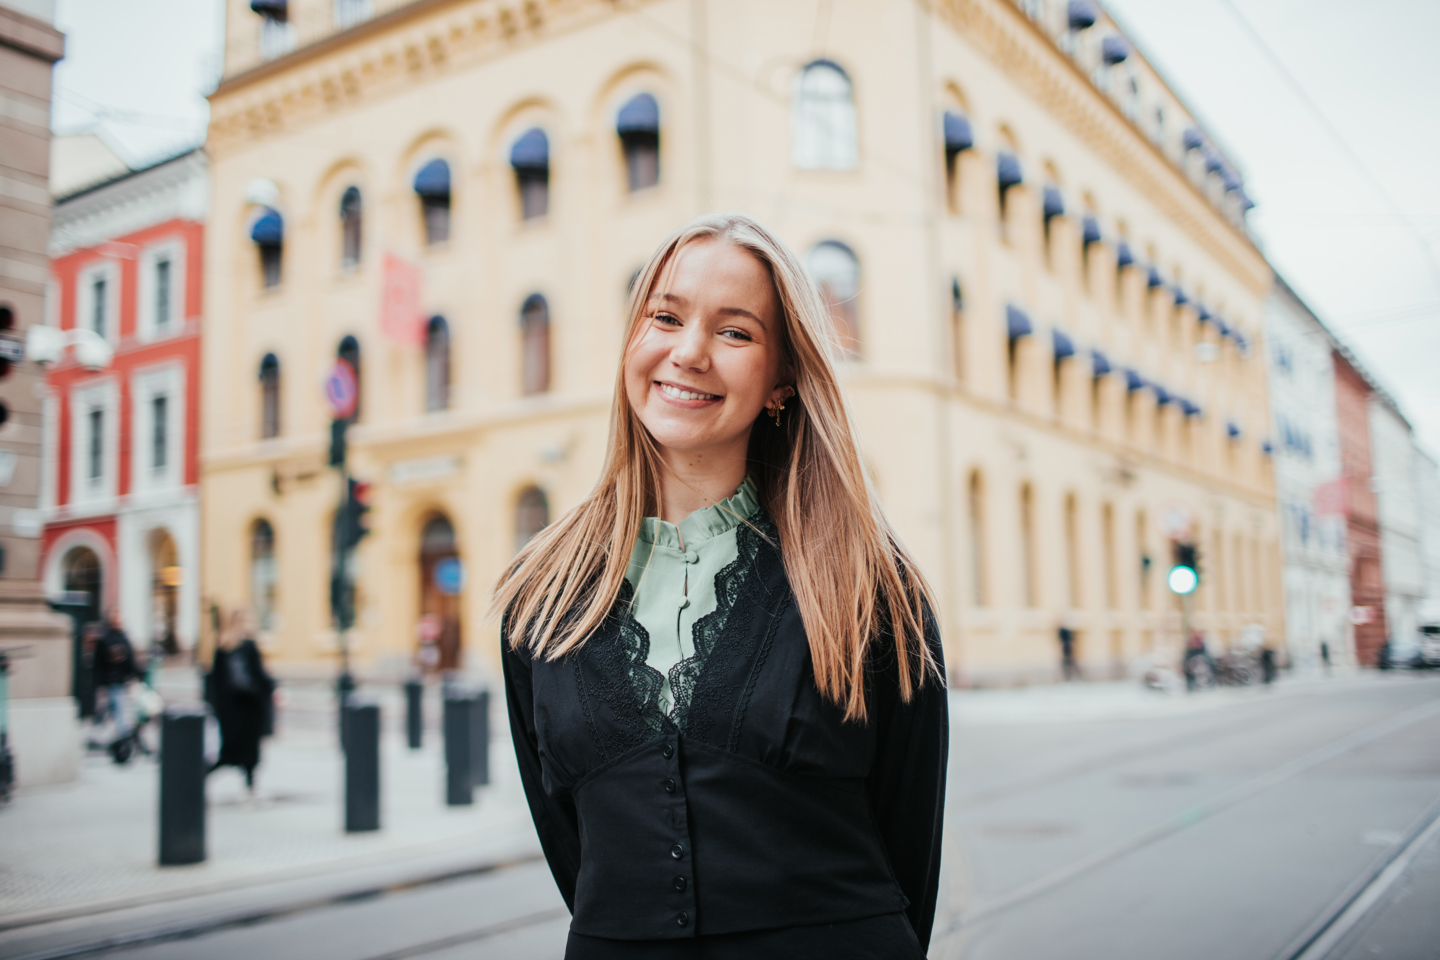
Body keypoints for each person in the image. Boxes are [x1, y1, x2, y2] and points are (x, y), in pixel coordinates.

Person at [494, 215, 949, 959]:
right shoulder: (538, 597)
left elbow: (910, 841)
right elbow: (571, 847)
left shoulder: (871, 586)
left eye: (735, 333)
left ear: (781, 380)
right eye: (665, 317)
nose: (689, 352)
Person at [206, 610, 276, 793]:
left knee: (229, 752)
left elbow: (214, 681)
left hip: (230, 711)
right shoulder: (248, 646)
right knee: (249, 752)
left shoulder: (222, 647)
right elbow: (259, 674)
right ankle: (251, 789)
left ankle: (200, 776)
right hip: (250, 707)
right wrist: (273, 688)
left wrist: (216, 708)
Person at [91, 609, 139, 744]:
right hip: (109, 681)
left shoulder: (124, 638)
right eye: (116, 621)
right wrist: (99, 682)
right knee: (111, 708)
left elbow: (130, 659)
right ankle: (120, 734)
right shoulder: (106, 639)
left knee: (116, 708)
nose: (118, 624)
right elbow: (98, 662)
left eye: (119, 621)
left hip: (120, 681)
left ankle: (119, 734)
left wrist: (134, 676)